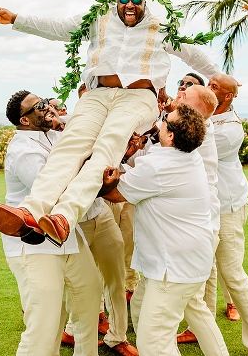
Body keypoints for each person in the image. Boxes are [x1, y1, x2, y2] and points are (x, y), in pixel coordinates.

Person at [0, 0, 220, 246]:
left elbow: (191, 53)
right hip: (98, 93)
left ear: (145, 2)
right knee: (70, 144)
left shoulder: (160, 28)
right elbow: (60, 28)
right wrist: (16, 19)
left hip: (139, 96)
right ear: (115, 1)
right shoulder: (98, 19)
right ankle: (31, 211)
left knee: (108, 145)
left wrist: (219, 76)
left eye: (136, 0)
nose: (130, 4)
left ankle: (64, 215)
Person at [101, 104, 228, 356]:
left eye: (164, 121)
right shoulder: (190, 155)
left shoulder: (158, 167)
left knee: (154, 344)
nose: (159, 123)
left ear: (170, 135)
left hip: (172, 267)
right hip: (189, 258)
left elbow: (115, 194)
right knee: (144, 308)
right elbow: (145, 177)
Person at [0, 90, 106, 356]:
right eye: (40, 106)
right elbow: (54, 191)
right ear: (24, 120)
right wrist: (97, 179)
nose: (48, 106)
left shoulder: (54, 136)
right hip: (34, 243)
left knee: (89, 298)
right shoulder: (22, 151)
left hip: (66, 234)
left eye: (46, 101)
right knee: (44, 323)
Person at [209, 73, 248, 356]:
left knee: (232, 274)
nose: (208, 88)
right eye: (208, 84)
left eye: (214, 87)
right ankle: (201, 328)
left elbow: (190, 145)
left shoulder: (230, 130)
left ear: (228, 96)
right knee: (206, 273)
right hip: (207, 208)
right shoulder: (209, 116)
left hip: (227, 208)